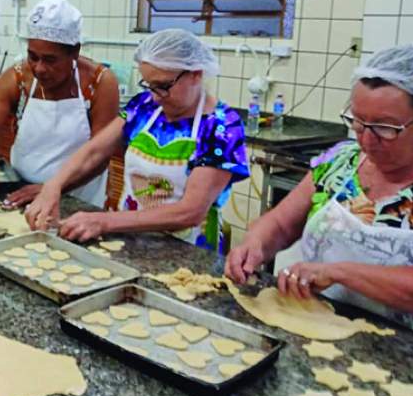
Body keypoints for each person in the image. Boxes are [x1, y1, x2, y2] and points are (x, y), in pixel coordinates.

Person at [226, 43, 413, 334]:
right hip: (317, 327)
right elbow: (282, 223)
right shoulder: (340, 161)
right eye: (358, 122)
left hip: (409, 353)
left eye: (386, 128)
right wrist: (255, 245)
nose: (367, 140)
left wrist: (340, 272)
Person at [26, 29, 248, 252]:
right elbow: (95, 151)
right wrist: (53, 186)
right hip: (127, 240)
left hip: (188, 250)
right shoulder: (144, 107)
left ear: (196, 74)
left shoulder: (222, 127)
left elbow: (190, 212)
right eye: (149, 85)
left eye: (163, 86)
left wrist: (103, 221)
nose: (155, 95)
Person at [0, 0, 120, 209]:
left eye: (50, 60)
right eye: (33, 56)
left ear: (74, 51)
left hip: (79, 197)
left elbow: (100, 155)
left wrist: (53, 188)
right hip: (21, 193)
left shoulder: (100, 82)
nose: (39, 68)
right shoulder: (16, 79)